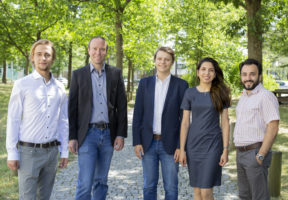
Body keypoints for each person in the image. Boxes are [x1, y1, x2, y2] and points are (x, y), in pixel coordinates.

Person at [6, 39, 69, 200]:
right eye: (39, 54)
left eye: (47, 55)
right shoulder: (22, 84)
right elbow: (13, 119)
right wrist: (12, 152)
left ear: (52, 58)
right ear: (32, 57)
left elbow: (63, 121)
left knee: (45, 197)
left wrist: (64, 151)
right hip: (29, 153)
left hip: (52, 153)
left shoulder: (60, 87)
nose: (43, 58)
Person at [68, 36, 127, 200]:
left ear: (106, 52)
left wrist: (120, 134)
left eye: (102, 49)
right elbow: (72, 109)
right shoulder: (78, 75)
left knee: (101, 181)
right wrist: (72, 137)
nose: (98, 52)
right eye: (94, 48)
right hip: (87, 135)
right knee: (85, 183)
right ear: (88, 51)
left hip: (108, 135)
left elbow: (121, 107)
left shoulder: (115, 74)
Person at [132, 47, 188, 200]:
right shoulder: (144, 84)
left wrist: (180, 146)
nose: (163, 62)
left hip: (170, 145)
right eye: (160, 58)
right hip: (148, 143)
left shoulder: (181, 85)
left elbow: (184, 119)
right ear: (155, 60)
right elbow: (138, 115)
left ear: (171, 62)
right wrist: (137, 142)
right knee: (149, 185)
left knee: (171, 187)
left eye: (166, 59)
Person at [179, 57, 231, 200]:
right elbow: (185, 123)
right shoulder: (190, 93)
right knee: (197, 192)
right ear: (197, 72)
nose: (206, 73)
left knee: (206, 192)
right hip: (193, 146)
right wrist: (182, 150)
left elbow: (225, 122)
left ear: (215, 74)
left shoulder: (221, 93)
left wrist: (226, 149)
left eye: (211, 70)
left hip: (213, 145)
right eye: (203, 69)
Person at [234, 58, 280, 200]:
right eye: (244, 74)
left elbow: (273, 126)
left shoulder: (265, 96)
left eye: (252, 74)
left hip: (255, 153)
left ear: (259, 76)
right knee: (245, 196)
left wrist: (260, 155)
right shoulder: (244, 97)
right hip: (241, 154)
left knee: (259, 197)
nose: (248, 78)